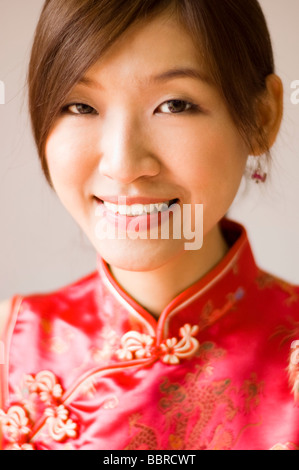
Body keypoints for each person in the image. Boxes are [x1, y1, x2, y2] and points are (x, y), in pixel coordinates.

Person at [0, 0, 298, 451]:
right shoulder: (9, 348)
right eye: (80, 106)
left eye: (174, 105)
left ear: (262, 117)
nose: (123, 165)